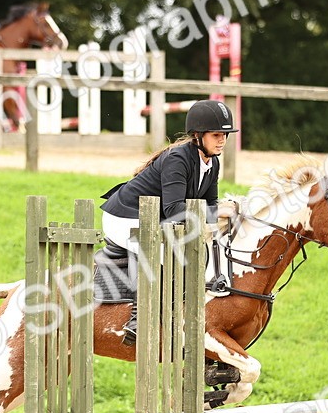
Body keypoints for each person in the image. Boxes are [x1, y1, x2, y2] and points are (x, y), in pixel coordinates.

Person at [100, 99, 239, 345]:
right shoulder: (178, 158)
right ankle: (136, 319)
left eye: (225, 135)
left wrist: (221, 214)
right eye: (216, 134)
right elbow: (175, 209)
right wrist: (219, 211)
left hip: (154, 218)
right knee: (162, 250)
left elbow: (208, 206)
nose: (222, 141)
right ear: (197, 135)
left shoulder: (212, 163)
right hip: (123, 216)